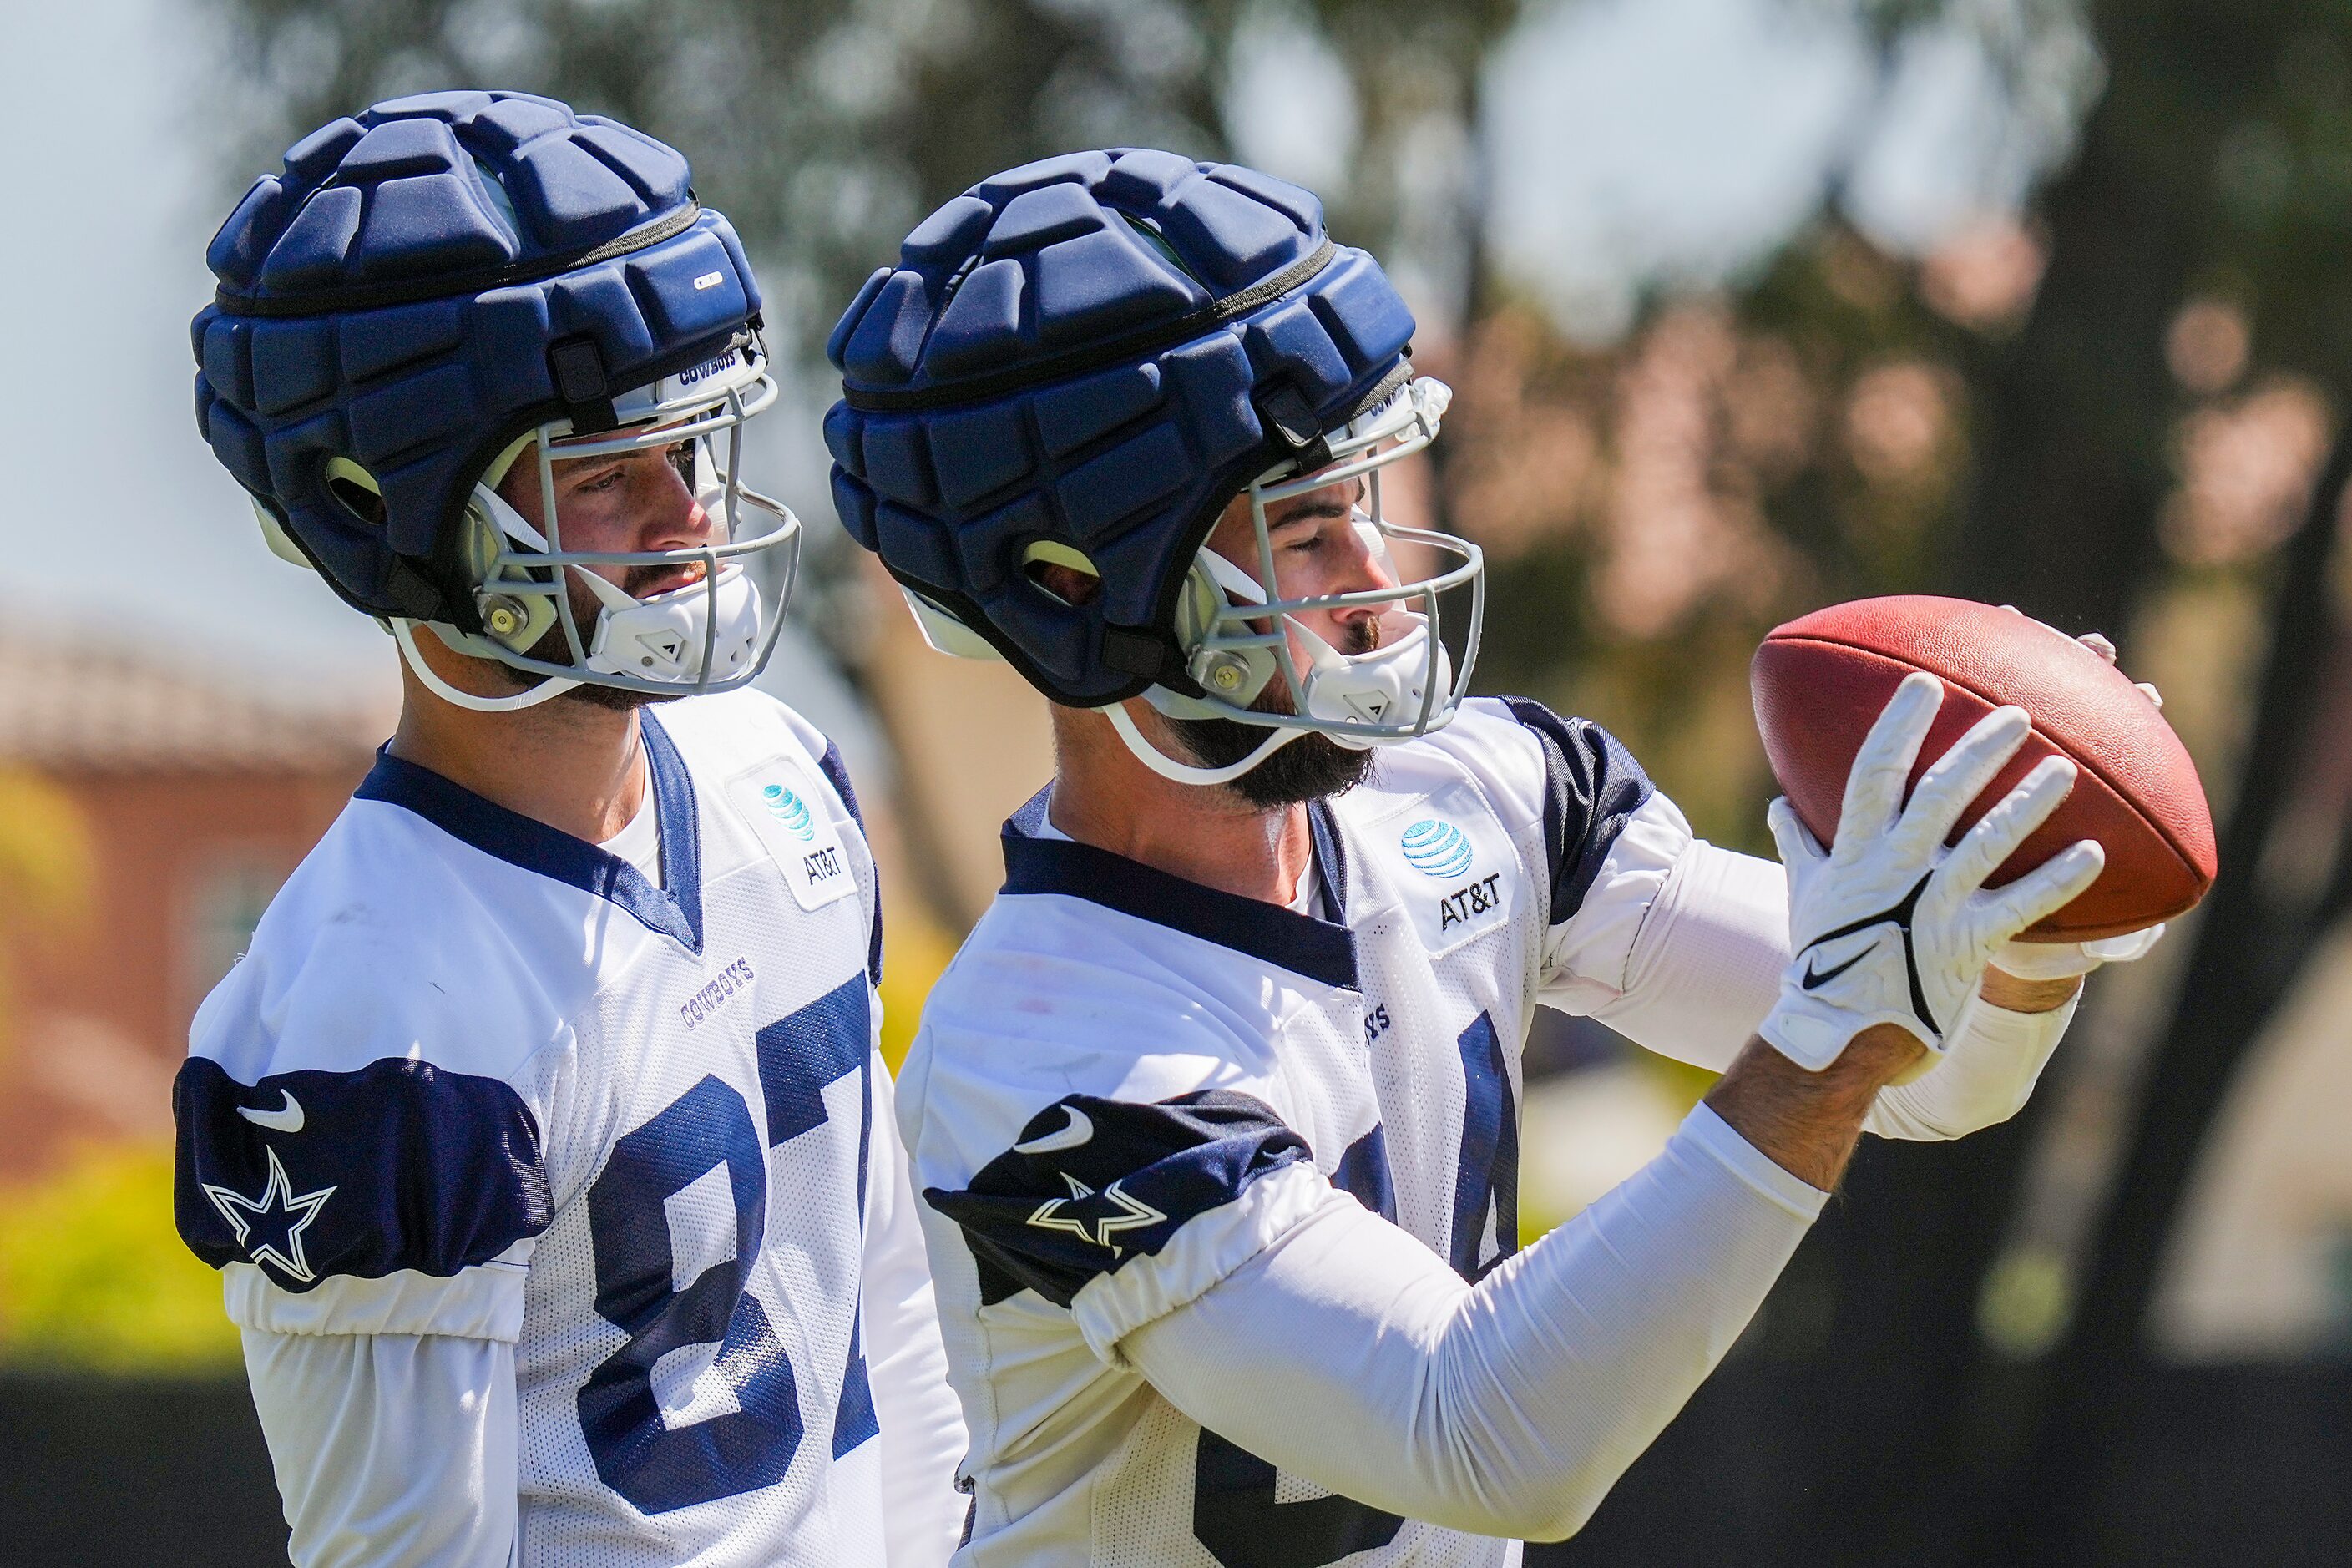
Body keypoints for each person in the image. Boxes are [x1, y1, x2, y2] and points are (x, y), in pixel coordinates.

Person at [818, 149, 2157, 1565]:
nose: (1379, 580)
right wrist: (1832, 1035)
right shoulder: (1042, 1057)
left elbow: (1928, 1076)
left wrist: (2019, 912)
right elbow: (1487, 1436)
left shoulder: (1482, 786)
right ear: (1080, 592)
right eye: (1307, 529)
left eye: (1368, 500)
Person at [174, 91, 964, 1567]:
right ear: (384, 509)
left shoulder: (775, 770)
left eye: (690, 448)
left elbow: (887, 1323)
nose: (684, 514)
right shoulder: (370, 1020)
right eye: (607, 474)